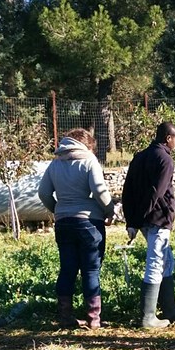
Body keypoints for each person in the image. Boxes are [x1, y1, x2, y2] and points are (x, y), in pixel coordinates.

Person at [38, 128, 114, 330]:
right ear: (88, 144)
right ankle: (93, 319)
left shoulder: (55, 162)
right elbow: (99, 189)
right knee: (90, 270)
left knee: (67, 269)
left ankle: (65, 316)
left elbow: (43, 192)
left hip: (64, 222)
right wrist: (109, 210)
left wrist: (58, 209)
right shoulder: (89, 160)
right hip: (89, 222)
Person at [122, 121, 175, 329]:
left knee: (167, 260)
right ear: (168, 138)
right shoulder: (165, 160)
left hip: (143, 220)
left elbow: (128, 190)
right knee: (156, 262)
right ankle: (148, 317)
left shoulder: (140, 157)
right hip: (158, 218)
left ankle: (170, 308)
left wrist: (132, 220)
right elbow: (157, 192)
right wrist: (143, 215)